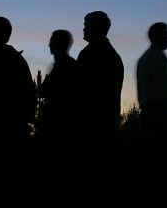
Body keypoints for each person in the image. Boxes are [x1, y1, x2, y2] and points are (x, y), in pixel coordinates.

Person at [76, 11, 124, 141]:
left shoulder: (89, 54)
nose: (84, 29)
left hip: (91, 124)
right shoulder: (114, 56)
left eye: (86, 25)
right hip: (108, 123)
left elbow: (78, 88)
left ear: (95, 27)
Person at [136, 22, 167, 133]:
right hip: (159, 114)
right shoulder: (158, 57)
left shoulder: (144, 58)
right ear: (157, 36)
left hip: (149, 112)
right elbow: (164, 89)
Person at [37, 29, 78, 140]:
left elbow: (46, 91)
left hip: (57, 127)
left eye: (52, 41)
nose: (49, 44)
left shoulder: (65, 65)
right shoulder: (66, 64)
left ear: (58, 43)